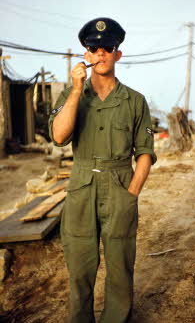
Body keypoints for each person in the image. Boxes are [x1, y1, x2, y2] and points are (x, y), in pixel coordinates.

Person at [49, 17, 157, 323]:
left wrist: (131, 193)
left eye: (107, 47)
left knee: (120, 269)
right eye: (93, 47)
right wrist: (75, 90)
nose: (101, 53)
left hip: (120, 183)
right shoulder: (72, 95)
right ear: (86, 52)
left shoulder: (135, 101)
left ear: (117, 53)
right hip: (81, 186)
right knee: (80, 270)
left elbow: (145, 153)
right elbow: (59, 137)